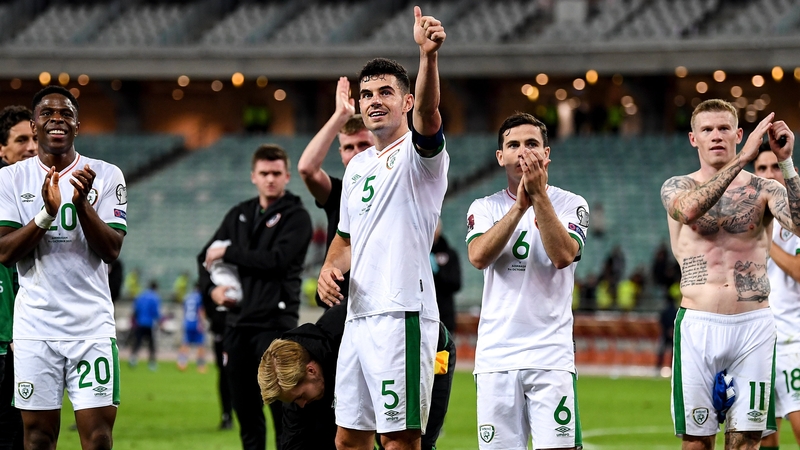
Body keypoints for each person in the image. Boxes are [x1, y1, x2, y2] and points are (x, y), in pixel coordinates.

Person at [316, 7, 447, 450]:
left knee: (398, 440)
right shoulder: (357, 167)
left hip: (401, 314)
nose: (374, 100)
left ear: (405, 102)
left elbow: (429, 113)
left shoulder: (419, 156)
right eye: (367, 93)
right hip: (358, 317)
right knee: (348, 439)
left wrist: (427, 57)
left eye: (386, 92)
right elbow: (345, 239)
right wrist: (328, 269)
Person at [660, 99, 800, 449]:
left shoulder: (765, 189)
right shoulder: (676, 186)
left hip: (753, 324)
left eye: (724, 128)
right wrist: (742, 159)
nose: (716, 135)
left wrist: (786, 162)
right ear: (693, 138)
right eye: (707, 129)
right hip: (698, 324)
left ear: (738, 134)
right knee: (697, 442)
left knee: (746, 441)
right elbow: (688, 211)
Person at [0, 86, 127, 450]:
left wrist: (82, 204)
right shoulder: (10, 179)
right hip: (35, 329)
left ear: (77, 125)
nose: (57, 119)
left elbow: (111, 249)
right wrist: (47, 213)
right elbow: (5, 252)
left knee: (98, 438)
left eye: (66, 114)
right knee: (38, 438)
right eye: (47, 113)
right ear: (34, 126)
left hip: (91, 327)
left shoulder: (105, 175)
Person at [466, 112, 588, 450]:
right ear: (500, 156)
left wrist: (539, 197)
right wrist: (519, 208)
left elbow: (563, 255)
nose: (523, 152)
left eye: (532, 144)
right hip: (496, 358)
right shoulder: (484, 207)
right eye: (513, 145)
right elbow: (478, 257)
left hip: (550, 356)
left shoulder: (571, 203)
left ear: (546, 154)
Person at [198, 144, 312, 450]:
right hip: (237, 326)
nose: (270, 179)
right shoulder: (239, 214)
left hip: (275, 325)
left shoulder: (297, 217)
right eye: (264, 173)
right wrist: (212, 290)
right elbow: (204, 257)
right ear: (253, 176)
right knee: (246, 413)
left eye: (276, 173)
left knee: (283, 413)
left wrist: (230, 252)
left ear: (287, 176)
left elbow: (278, 260)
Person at [257, 301, 455, 450]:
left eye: (300, 397)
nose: (300, 405)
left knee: (403, 442)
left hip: (422, 353)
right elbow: (296, 442)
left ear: (311, 370)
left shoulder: (346, 335)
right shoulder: (294, 384)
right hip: (372, 368)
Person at [297, 76, 375, 308]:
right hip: (338, 304)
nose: (356, 153)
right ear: (341, 154)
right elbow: (307, 169)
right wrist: (340, 116)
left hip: (381, 304)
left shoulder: (395, 186)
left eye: (363, 145)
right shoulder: (339, 192)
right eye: (349, 147)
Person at [754, 145, 800, 450]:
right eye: (762, 168)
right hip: (757, 341)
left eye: (775, 167)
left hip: (793, 341)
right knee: (764, 437)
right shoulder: (745, 221)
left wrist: (765, 241)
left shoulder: (796, 223)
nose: (769, 174)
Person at [0, 104, 37, 450]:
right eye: (21, 140)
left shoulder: (42, 192)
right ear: (2, 148)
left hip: (27, 334)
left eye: (34, 139)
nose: (31, 147)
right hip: (6, 332)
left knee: (20, 431)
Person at [430, 219, 461, 334]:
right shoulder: (415, 254)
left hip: (444, 316)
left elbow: (456, 283)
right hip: (422, 315)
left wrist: (438, 273)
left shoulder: (450, 254)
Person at [130, 281, 161, 370]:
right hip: (149, 324)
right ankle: (152, 363)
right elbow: (155, 312)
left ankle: (133, 359)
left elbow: (136, 309)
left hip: (140, 322)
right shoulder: (155, 297)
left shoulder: (141, 296)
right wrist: (159, 320)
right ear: (156, 288)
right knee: (151, 344)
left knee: (137, 342)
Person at [177, 283, 207, 373]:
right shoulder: (200, 297)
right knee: (200, 344)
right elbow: (201, 311)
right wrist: (203, 322)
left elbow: (184, 310)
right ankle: (200, 366)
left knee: (185, 343)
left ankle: (182, 363)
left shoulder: (187, 297)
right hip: (197, 324)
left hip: (187, 322)